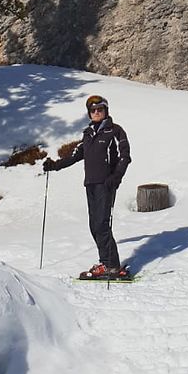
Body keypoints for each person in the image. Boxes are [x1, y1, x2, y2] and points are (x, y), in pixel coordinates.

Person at [43, 94, 131, 278]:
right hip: (90, 184)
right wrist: (55, 165)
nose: (97, 112)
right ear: (89, 114)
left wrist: (116, 177)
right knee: (94, 225)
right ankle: (105, 263)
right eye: (93, 110)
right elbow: (75, 156)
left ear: (106, 111)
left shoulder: (115, 131)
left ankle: (112, 266)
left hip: (106, 184)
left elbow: (125, 157)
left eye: (100, 109)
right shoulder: (88, 134)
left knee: (102, 224)